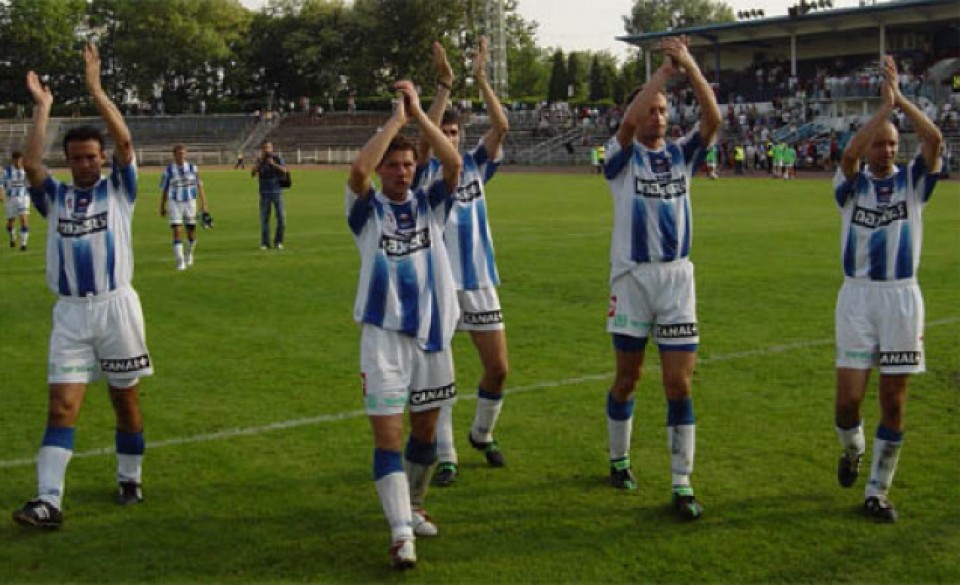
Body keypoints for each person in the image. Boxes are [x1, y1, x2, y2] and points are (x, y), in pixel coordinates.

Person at [13, 42, 154, 529]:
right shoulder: (55, 198)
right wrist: (43, 107)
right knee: (62, 405)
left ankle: (130, 478)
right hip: (71, 313)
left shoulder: (120, 190)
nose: (86, 164)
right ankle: (48, 500)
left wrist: (96, 90)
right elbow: (32, 166)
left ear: (102, 158)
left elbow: (126, 143)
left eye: (93, 157)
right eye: (77, 158)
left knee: (125, 400)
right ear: (69, 161)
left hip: (117, 309)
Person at [601, 35, 720, 519]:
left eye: (664, 110)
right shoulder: (620, 156)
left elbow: (713, 120)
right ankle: (619, 459)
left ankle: (682, 484)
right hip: (632, 279)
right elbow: (628, 124)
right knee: (628, 378)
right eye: (651, 109)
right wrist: (663, 74)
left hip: (676, 281)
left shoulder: (682, 155)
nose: (658, 116)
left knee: (679, 385)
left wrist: (690, 67)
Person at [346, 80, 462, 569]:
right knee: (388, 438)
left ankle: (413, 506)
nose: (401, 172)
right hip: (383, 340)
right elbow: (357, 172)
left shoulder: (430, 205)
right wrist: (397, 118)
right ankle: (399, 535)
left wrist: (420, 115)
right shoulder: (368, 212)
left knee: (426, 434)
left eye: (408, 165)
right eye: (393, 165)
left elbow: (454, 165)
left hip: (432, 339)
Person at [831, 55, 942, 523]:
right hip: (857, 297)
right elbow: (848, 156)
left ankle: (877, 491)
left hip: (901, 298)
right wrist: (881, 111)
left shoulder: (912, 183)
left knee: (894, 400)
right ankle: (853, 449)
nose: (887, 150)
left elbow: (934, 141)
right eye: (880, 143)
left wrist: (900, 103)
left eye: (893, 143)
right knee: (847, 402)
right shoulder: (850, 186)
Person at [413, 37, 511, 487]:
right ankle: (447, 454)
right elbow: (423, 142)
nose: (449, 138)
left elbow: (501, 125)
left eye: (454, 133)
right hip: (440, 285)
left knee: (498, 369)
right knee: (445, 373)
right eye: (444, 133)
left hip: (479, 280)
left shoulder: (475, 165)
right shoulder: (424, 173)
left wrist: (481, 78)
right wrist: (444, 86)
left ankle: (481, 433)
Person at [159, 145, 209, 270]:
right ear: (174, 155)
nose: (181, 155)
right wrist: (162, 206)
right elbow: (164, 189)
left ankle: (189, 253)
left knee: (191, 233)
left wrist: (204, 203)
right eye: (179, 153)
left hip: (190, 202)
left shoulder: (193, 168)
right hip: (174, 202)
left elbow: (200, 185)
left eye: (183, 153)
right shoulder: (169, 170)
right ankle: (180, 262)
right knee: (177, 230)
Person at [251, 140, 287, 249]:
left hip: (277, 192)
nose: (267, 150)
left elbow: (285, 171)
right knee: (264, 220)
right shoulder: (260, 160)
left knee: (281, 218)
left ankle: (278, 241)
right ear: (262, 149)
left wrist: (273, 164)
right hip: (264, 193)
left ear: (272, 148)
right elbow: (253, 173)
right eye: (265, 148)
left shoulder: (277, 158)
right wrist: (260, 162)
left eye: (269, 148)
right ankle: (265, 242)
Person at [1, 151, 30, 250]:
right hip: (10, 199)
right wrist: (1, 193)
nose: (18, 162)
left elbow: (30, 183)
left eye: (19, 160)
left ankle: (23, 244)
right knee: (10, 222)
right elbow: (1, 183)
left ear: (22, 160)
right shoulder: (7, 171)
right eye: (16, 160)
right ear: (13, 160)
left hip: (23, 198)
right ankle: (12, 237)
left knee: (24, 219)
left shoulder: (26, 170)